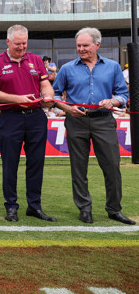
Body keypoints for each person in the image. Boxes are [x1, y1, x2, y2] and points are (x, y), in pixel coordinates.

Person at [53, 27, 134, 225]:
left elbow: (123, 95)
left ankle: (114, 209)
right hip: (76, 121)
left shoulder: (113, 67)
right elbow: (54, 95)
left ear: (97, 45)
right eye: (78, 45)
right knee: (78, 168)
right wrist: (66, 108)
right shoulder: (67, 69)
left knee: (112, 167)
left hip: (104, 121)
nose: (81, 49)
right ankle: (84, 209)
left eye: (85, 45)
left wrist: (112, 102)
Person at [0, 24, 56, 223]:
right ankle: (11, 206)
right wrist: (18, 99)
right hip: (10, 118)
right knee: (10, 163)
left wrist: (48, 96)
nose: (22, 47)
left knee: (36, 163)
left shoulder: (35, 60)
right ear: (8, 42)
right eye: (17, 44)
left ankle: (34, 206)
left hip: (36, 118)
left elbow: (45, 85)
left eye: (24, 43)